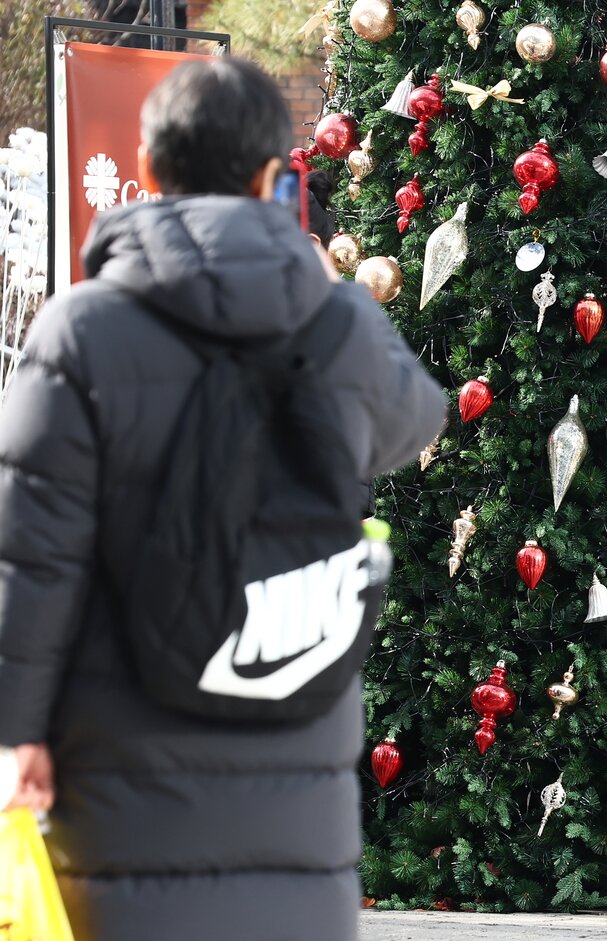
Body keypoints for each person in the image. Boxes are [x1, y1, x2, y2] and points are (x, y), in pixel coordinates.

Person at [0, 58, 445, 940]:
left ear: (147, 165)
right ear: (273, 176)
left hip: (122, 761)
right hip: (295, 740)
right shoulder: (336, 321)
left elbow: (32, 559)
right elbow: (414, 423)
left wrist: (18, 733)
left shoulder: (81, 331)